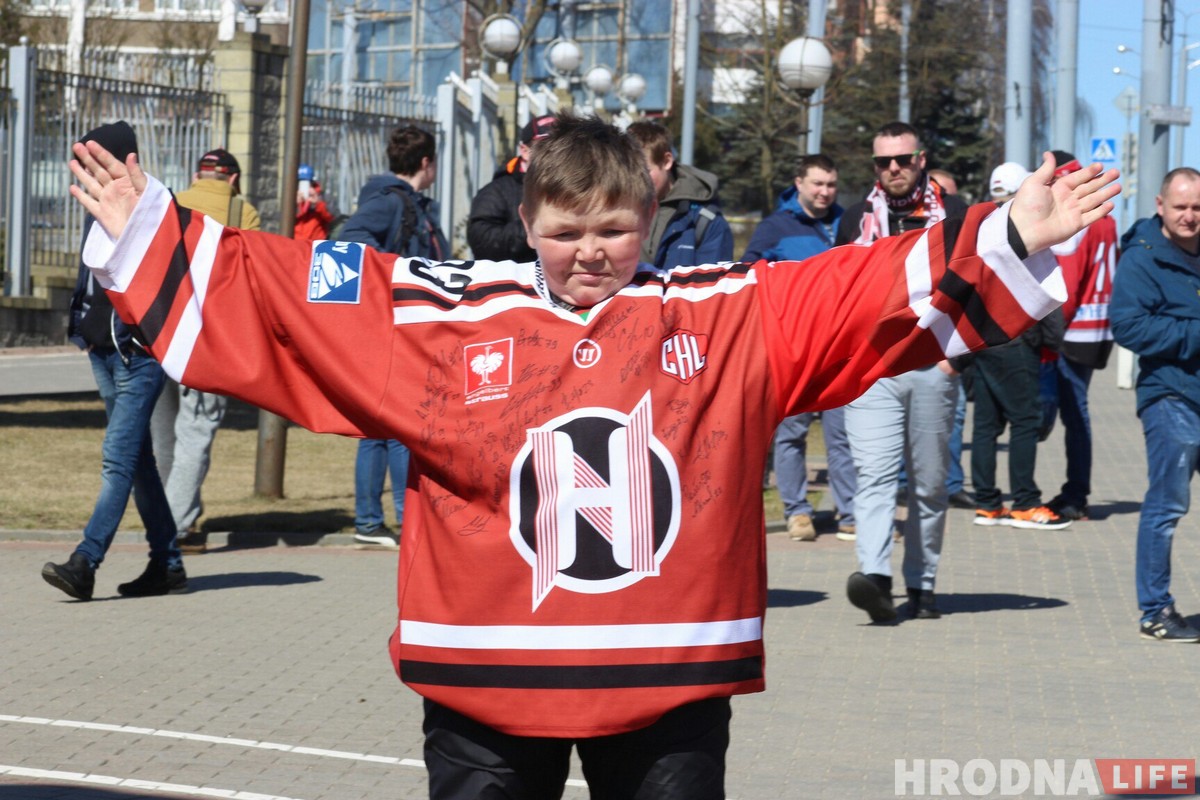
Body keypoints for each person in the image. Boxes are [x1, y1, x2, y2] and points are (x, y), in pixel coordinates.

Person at [69, 113, 1117, 796]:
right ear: (528, 220)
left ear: (650, 217)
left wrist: (1004, 234)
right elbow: (302, 288)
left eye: (614, 227)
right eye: (567, 229)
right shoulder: (447, 308)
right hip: (485, 693)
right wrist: (158, 236)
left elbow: (861, 288)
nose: (590, 252)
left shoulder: (724, 312)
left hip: (667, 689)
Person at [42, 121, 185, 601]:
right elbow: (91, 277)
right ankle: (167, 563)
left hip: (138, 358)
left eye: (92, 162)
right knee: (138, 461)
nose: (84, 173)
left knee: (117, 460)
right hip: (103, 353)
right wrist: (81, 329)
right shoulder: (97, 205)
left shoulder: (155, 209)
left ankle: (85, 561)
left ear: (124, 162)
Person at [835, 121, 969, 622]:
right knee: (874, 476)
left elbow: (977, 285)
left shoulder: (955, 215)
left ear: (921, 161)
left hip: (933, 363)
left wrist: (955, 357)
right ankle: (875, 579)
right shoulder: (855, 219)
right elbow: (838, 292)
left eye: (901, 159)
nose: (892, 169)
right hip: (873, 368)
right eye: (882, 162)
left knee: (930, 484)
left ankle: (923, 583)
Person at [339, 125, 449, 548]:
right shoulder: (390, 202)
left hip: (404, 327)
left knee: (381, 430)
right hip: (391, 327)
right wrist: (394, 277)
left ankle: (374, 522)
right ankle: (398, 521)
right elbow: (348, 240)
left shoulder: (411, 204)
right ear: (426, 163)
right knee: (399, 429)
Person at [150, 148, 261, 554]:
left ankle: (175, 516)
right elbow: (251, 272)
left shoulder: (170, 203)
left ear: (198, 175)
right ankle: (173, 528)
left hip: (157, 332)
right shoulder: (242, 212)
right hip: (206, 338)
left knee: (164, 436)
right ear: (233, 179)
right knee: (196, 431)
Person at [742, 154, 854, 541]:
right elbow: (748, 277)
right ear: (799, 183)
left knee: (843, 435)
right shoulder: (775, 228)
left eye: (831, 185)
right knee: (792, 433)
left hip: (842, 349)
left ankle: (850, 512)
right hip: (794, 349)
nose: (825, 192)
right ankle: (797, 512)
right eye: (817, 184)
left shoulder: (848, 222)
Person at [1110, 167, 1200, 642]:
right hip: (1171, 395)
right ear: (1160, 205)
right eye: (1181, 206)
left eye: (1197, 208)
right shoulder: (1141, 259)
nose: (1190, 217)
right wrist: (1194, 334)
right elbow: (1127, 327)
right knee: (1167, 505)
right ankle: (1155, 610)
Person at [957, 162, 1070, 532]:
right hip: (1018, 338)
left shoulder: (980, 228)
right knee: (1025, 420)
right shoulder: (1027, 228)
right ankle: (1025, 501)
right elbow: (1044, 289)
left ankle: (988, 504)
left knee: (987, 425)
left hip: (983, 340)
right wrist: (1052, 341)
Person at [1042, 150, 1120, 522]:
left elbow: (1068, 284)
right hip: (1097, 328)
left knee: (1066, 413)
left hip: (1071, 331)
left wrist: (1048, 334)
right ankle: (1077, 491)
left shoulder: (1077, 215)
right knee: (1076, 414)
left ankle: (1075, 495)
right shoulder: (1104, 213)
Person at [626, 119, 734, 270]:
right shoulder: (616, 210)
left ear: (666, 161)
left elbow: (713, 286)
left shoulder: (705, 221)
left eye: (644, 171)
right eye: (628, 172)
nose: (635, 180)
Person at [466, 114, 555, 262]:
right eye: (546, 148)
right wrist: (537, 224)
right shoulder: (497, 191)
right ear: (525, 151)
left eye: (562, 148)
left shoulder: (577, 188)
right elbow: (483, 243)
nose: (555, 155)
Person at [294, 163, 334, 241]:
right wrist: (295, 205)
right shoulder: (290, 197)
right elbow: (282, 220)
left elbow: (332, 217)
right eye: (300, 182)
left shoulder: (322, 196)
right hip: (296, 245)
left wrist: (318, 203)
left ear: (312, 182)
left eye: (306, 182)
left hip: (315, 245)